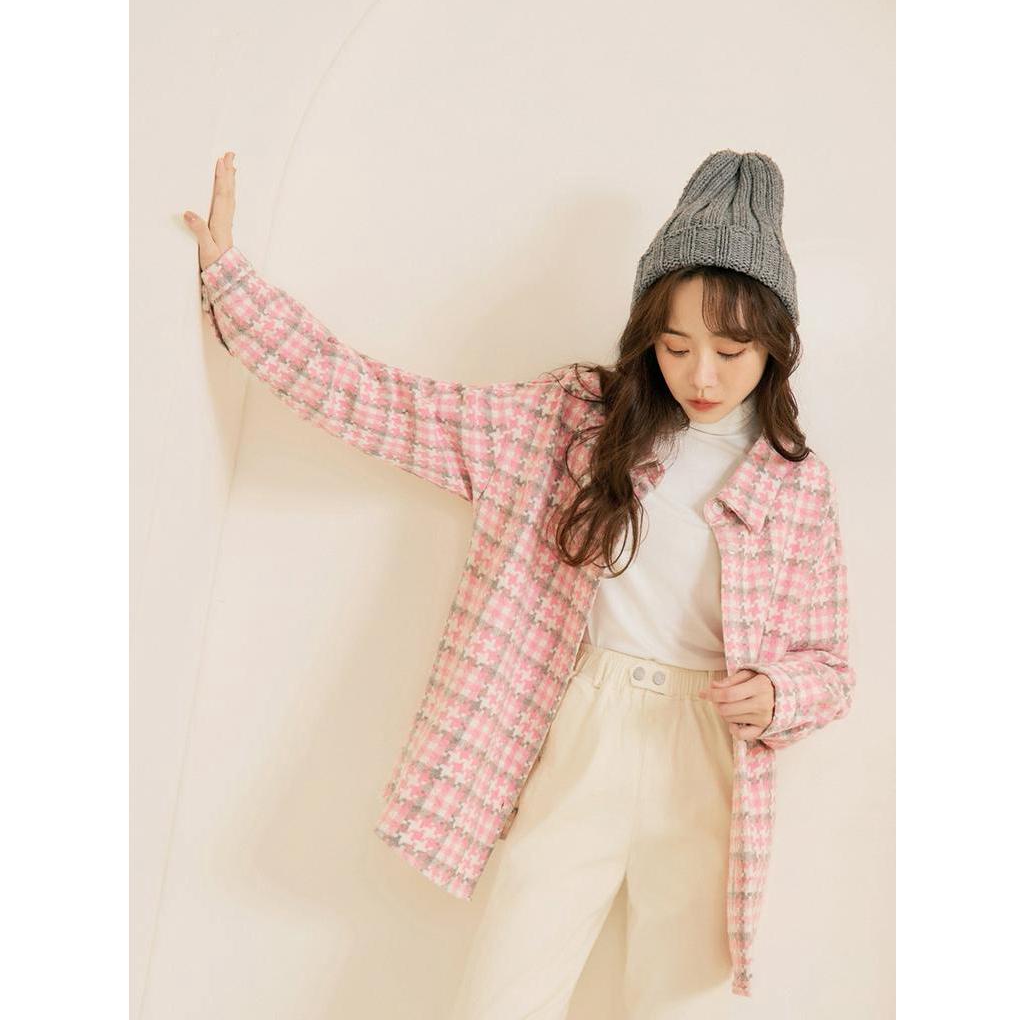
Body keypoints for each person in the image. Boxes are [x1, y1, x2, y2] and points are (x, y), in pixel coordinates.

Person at [183, 148, 855, 1015]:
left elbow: (830, 669)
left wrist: (778, 694)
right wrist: (233, 286)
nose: (701, 375)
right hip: (587, 720)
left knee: (682, 1001)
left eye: (731, 350)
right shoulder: (570, 422)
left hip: (709, 748)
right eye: (675, 344)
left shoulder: (795, 482)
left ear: (774, 346)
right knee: (506, 988)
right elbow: (384, 405)